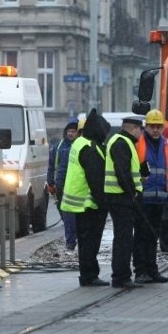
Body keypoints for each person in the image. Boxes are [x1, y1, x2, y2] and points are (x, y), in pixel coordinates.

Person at [60, 109, 110, 287]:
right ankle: (90, 276)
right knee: (90, 242)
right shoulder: (90, 148)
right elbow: (96, 180)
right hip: (88, 205)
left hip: (77, 203)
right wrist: (105, 204)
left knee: (84, 242)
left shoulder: (79, 142)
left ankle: (87, 275)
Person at [133, 109, 168, 284]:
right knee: (141, 236)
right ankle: (140, 271)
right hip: (143, 199)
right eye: (153, 127)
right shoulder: (139, 144)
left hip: (159, 200)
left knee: (153, 237)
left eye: (159, 127)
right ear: (146, 127)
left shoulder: (165, 146)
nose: (156, 130)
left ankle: (152, 270)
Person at [104, 115, 146, 289]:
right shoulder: (122, 143)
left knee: (124, 237)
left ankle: (121, 275)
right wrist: (133, 193)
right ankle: (121, 277)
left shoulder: (121, 141)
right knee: (123, 239)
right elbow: (123, 172)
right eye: (140, 130)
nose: (141, 134)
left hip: (120, 196)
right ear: (134, 129)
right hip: (121, 197)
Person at [47, 119, 79, 251]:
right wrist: (51, 183)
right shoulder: (59, 147)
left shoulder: (78, 146)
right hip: (60, 187)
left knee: (70, 216)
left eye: (73, 131)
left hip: (75, 187)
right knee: (66, 217)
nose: (70, 134)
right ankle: (71, 239)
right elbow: (51, 166)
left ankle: (71, 241)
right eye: (69, 131)